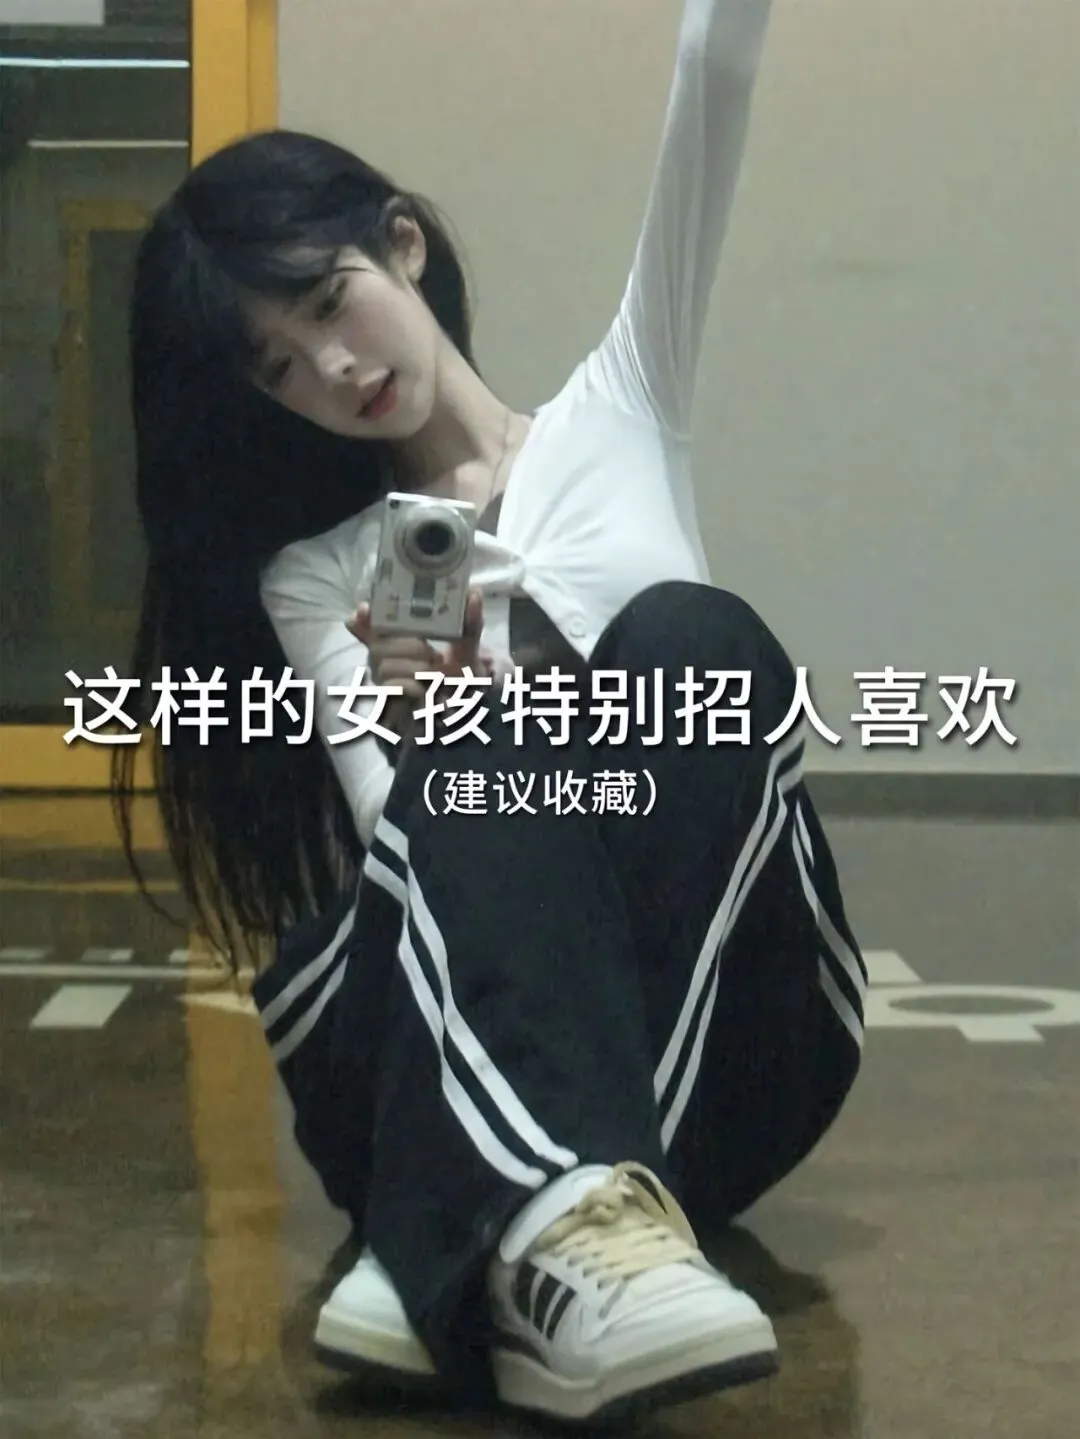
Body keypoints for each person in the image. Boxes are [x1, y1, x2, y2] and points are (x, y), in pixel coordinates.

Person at [117, 0, 867, 1425]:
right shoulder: (317, 578)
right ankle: (567, 1228)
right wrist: (430, 728)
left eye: (327, 303)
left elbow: (713, 78)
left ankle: (454, 1227)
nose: (334, 371)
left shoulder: (623, 405)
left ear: (401, 243)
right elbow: (406, 872)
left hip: (735, 1039)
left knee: (695, 640)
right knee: (466, 760)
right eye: (279, 368)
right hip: (483, 1010)